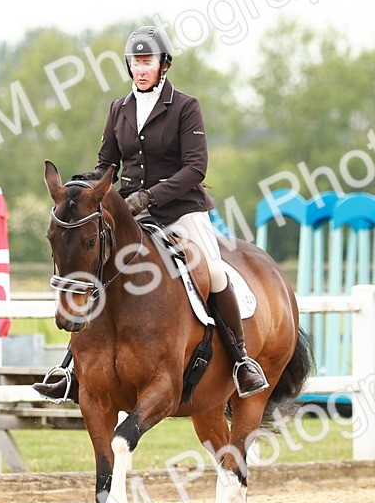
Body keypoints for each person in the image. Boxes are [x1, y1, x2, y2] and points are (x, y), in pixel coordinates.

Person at [35, 25, 269, 401]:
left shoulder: (185, 107)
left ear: (163, 65)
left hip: (181, 209)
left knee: (213, 269)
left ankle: (242, 361)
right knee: (100, 268)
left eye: (147, 62)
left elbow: (195, 168)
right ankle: (69, 368)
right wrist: (83, 188)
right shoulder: (119, 108)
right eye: (135, 63)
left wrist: (150, 197)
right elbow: (107, 163)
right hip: (129, 211)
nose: (141, 69)